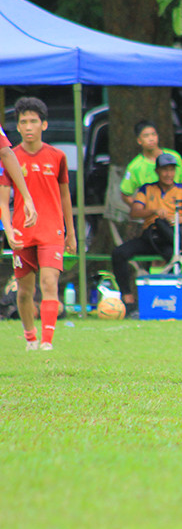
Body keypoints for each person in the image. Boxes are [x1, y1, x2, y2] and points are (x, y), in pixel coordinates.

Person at [0, 97, 74, 350]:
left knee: (50, 283)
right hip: (22, 232)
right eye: (23, 122)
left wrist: (70, 233)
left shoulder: (57, 156)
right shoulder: (9, 157)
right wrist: (8, 230)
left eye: (33, 121)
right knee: (24, 291)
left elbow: (65, 196)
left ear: (44, 124)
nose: (29, 126)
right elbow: (3, 199)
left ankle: (47, 342)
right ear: (17, 127)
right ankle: (30, 336)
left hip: (51, 230)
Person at [111, 152, 182, 317]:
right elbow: (134, 212)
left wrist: (178, 219)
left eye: (171, 170)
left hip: (171, 239)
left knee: (174, 260)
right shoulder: (148, 188)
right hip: (150, 236)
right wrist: (153, 211)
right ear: (157, 171)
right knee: (119, 253)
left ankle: (171, 303)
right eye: (165, 170)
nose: (168, 174)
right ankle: (128, 299)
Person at [120, 120, 182, 207]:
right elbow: (125, 194)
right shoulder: (135, 166)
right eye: (146, 136)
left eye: (153, 134)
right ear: (139, 140)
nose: (151, 139)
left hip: (176, 214)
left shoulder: (174, 157)